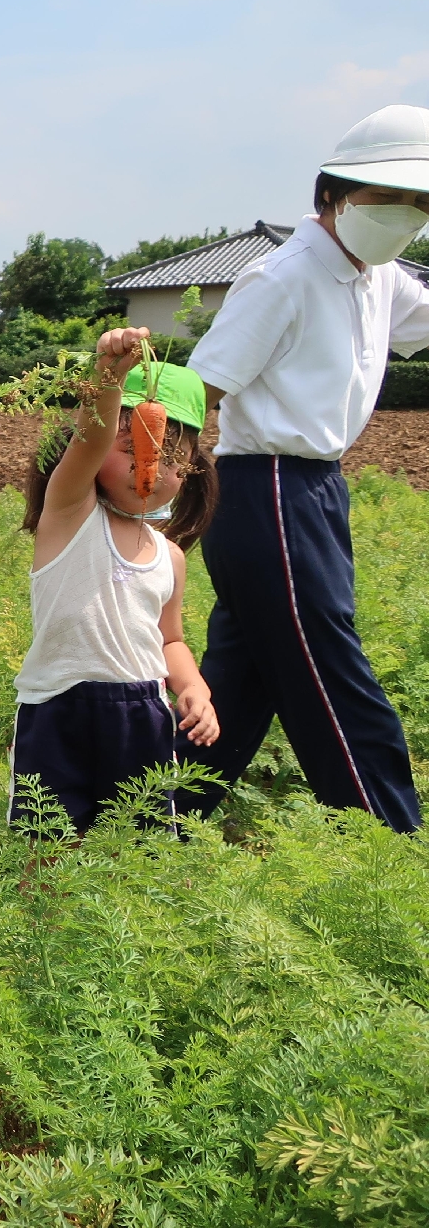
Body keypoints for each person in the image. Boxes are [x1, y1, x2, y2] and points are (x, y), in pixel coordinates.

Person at [181, 104, 429, 831]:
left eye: (420, 204)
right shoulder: (281, 277)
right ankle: (389, 844)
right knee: (333, 677)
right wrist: (154, 508)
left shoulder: (379, 275)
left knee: (238, 686)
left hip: (317, 490)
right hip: (266, 488)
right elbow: (201, 391)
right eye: (391, 199)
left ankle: (145, 828)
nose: (406, 216)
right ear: (336, 193)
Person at [11, 330, 221, 832]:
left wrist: (193, 687)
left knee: (139, 848)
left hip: (142, 713)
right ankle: (43, 915)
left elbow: (169, 639)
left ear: (189, 469)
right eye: (133, 446)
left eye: (170, 456)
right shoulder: (68, 515)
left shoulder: (169, 557)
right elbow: (90, 438)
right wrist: (109, 376)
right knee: (47, 846)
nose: (149, 465)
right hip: (57, 706)